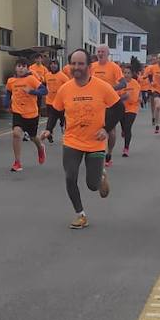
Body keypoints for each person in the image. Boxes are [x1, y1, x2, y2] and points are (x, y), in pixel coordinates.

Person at [49, 49, 123, 228]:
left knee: (92, 184)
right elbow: (55, 110)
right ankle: (80, 214)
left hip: (95, 143)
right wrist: (48, 129)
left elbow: (119, 108)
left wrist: (106, 129)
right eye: (73, 63)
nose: (76, 67)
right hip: (72, 141)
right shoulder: (65, 89)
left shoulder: (102, 87)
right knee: (70, 177)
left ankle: (100, 176)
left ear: (89, 66)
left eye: (80, 64)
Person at [6, 57, 47, 172]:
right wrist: (6, 103)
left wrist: (32, 91)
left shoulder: (31, 79)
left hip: (31, 114)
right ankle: (17, 162)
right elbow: (8, 92)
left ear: (27, 68)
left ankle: (40, 147)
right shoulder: (11, 81)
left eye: (23, 66)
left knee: (33, 137)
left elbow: (44, 90)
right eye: (19, 66)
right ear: (15, 68)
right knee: (16, 133)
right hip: (17, 112)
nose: (21, 68)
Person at [91, 45, 126, 164]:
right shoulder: (92, 66)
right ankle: (96, 152)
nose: (100, 54)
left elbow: (123, 83)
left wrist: (110, 88)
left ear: (107, 54)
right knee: (96, 128)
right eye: (99, 52)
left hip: (110, 103)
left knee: (110, 131)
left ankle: (109, 152)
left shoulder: (114, 67)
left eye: (103, 52)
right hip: (96, 103)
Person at [42, 58, 70, 143]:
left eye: (55, 64)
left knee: (63, 120)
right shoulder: (47, 75)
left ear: (58, 66)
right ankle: (49, 133)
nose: (53, 65)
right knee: (51, 119)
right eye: (51, 64)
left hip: (61, 103)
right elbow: (43, 85)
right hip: (50, 102)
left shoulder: (62, 76)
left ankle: (63, 130)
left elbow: (69, 87)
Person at [119, 68, 142, 157]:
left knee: (128, 127)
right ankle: (123, 130)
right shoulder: (120, 83)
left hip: (132, 108)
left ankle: (126, 148)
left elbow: (134, 98)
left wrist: (129, 97)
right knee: (124, 127)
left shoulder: (134, 83)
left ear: (132, 74)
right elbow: (116, 96)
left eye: (128, 73)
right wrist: (123, 97)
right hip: (121, 108)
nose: (126, 75)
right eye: (125, 73)